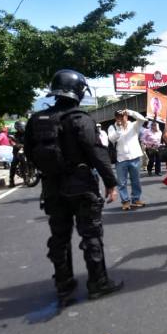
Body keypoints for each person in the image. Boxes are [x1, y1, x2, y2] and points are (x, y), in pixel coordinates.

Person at [24, 69, 123, 302]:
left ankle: (63, 283)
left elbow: (30, 153)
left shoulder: (37, 120)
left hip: (51, 187)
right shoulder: (81, 119)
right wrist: (111, 183)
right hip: (81, 186)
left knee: (59, 237)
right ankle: (98, 282)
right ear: (79, 91)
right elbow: (97, 153)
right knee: (91, 235)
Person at [108, 109, 148, 211]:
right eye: (118, 116)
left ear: (126, 116)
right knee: (122, 182)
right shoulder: (112, 127)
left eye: (122, 116)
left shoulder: (133, 125)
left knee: (136, 181)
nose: (120, 118)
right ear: (115, 117)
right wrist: (120, 127)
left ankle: (136, 199)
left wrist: (130, 112)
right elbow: (112, 139)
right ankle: (125, 202)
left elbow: (142, 119)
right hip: (121, 159)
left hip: (134, 157)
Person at [8, 120, 26, 188]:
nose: (21, 128)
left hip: (26, 150)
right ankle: (11, 180)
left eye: (22, 127)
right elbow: (12, 141)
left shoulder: (28, 134)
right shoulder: (15, 135)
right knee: (13, 164)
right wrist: (14, 144)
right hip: (18, 152)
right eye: (19, 127)